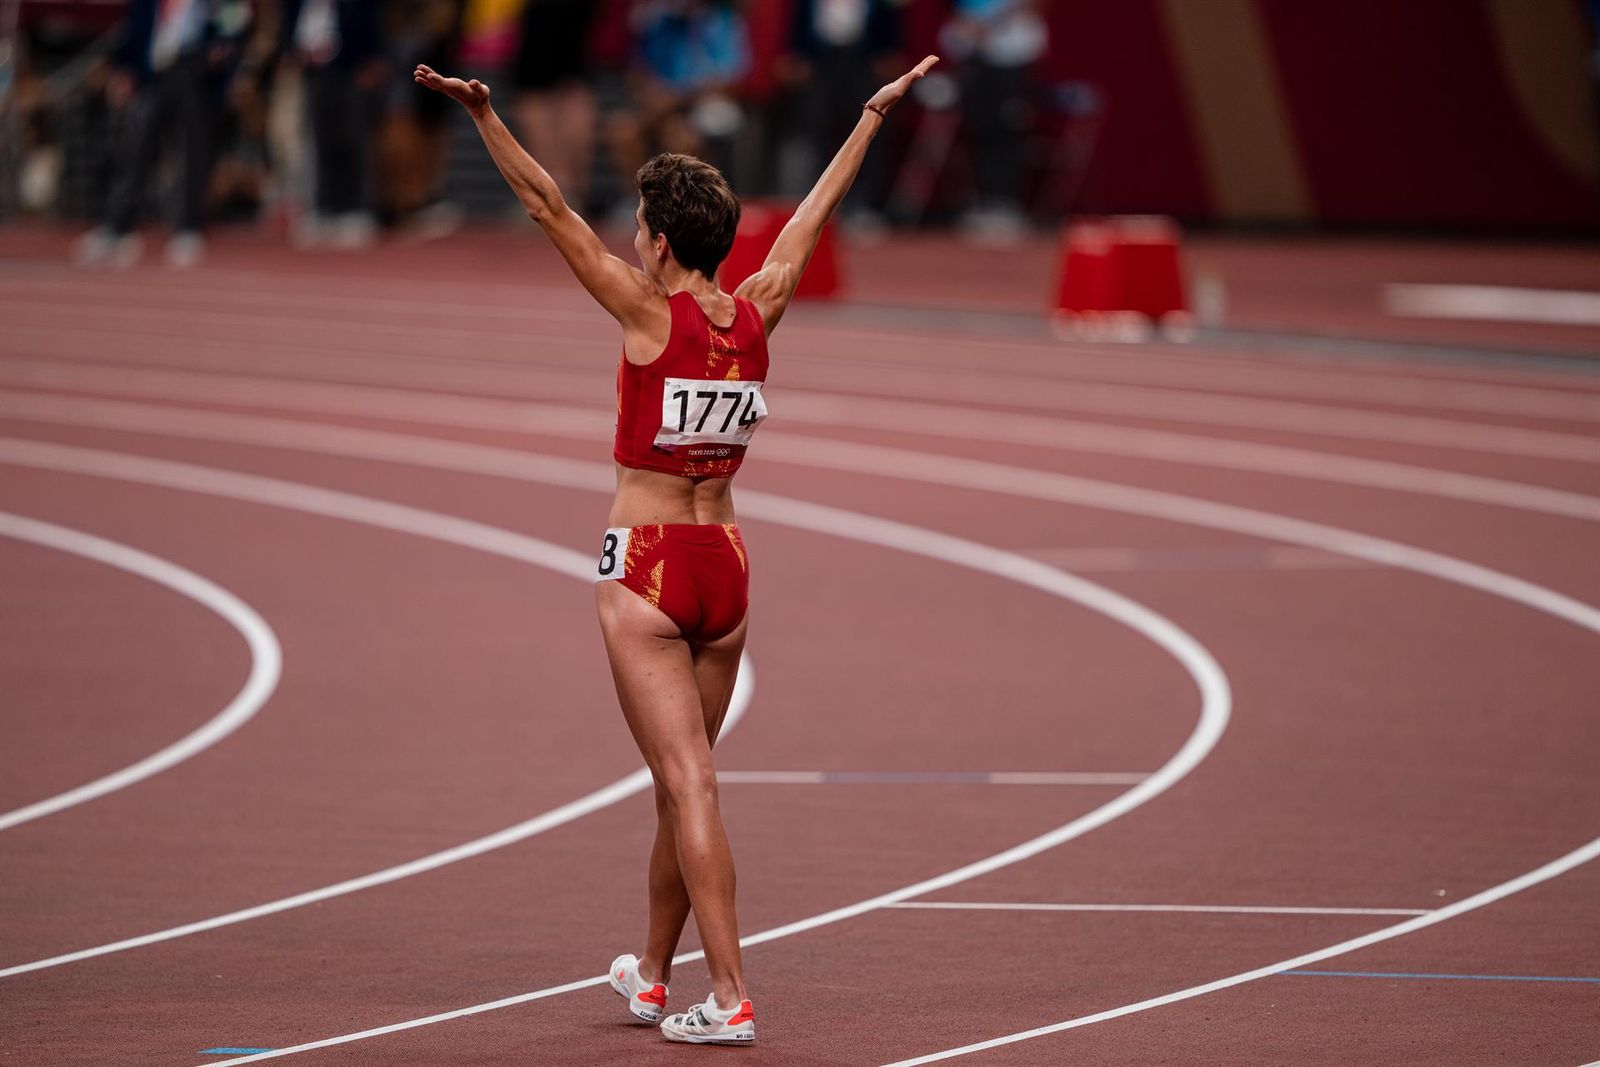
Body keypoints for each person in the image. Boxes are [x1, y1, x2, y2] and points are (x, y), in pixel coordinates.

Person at [414, 50, 938, 1047]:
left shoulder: (643, 310)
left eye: (639, 230)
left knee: (688, 780)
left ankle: (731, 991)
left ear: (655, 242)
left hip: (647, 568)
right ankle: (653, 976)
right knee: (679, 777)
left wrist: (485, 115)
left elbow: (544, 207)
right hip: (726, 569)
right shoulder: (760, 306)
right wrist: (869, 117)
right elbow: (812, 217)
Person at [73, 0, 252, 268]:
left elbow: (235, 14)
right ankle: (118, 227)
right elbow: (137, 22)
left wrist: (224, 48)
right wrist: (125, 68)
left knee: (195, 152)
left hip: (197, 70)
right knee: (135, 148)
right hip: (154, 71)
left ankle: (189, 228)